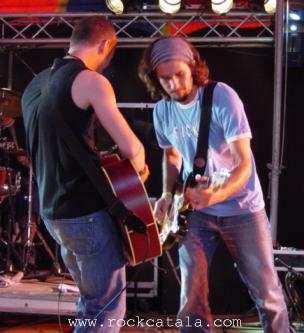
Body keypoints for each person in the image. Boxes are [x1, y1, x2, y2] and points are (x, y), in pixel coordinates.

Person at [138, 37, 293, 333]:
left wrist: (217, 194)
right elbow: (171, 155)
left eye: (179, 75)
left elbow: (244, 162)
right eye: (164, 78)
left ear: (193, 68)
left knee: (267, 294)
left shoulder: (221, 96)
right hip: (195, 211)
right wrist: (167, 194)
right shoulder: (162, 111)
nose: (173, 84)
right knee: (191, 298)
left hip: (242, 208)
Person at [21, 16, 148, 333]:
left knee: (91, 304)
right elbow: (133, 151)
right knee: (106, 309)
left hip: (53, 213)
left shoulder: (34, 85)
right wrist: (140, 175)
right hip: (85, 214)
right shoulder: (91, 81)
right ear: (106, 45)